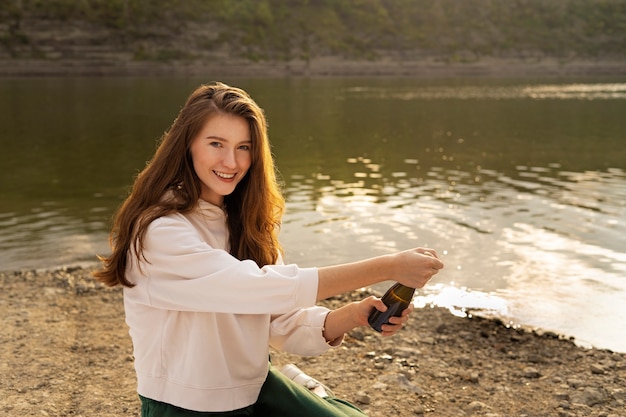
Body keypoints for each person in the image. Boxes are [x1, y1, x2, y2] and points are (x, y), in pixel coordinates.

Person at [94, 82, 444, 417]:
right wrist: (387, 266)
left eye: (244, 147)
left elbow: (282, 321)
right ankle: (307, 390)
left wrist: (353, 315)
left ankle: (298, 386)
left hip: (257, 387)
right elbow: (254, 287)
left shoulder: (245, 221)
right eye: (216, 143)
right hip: (185, 405)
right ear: (187, 145)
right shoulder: (160, 230)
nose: (231, 162)